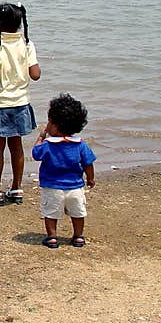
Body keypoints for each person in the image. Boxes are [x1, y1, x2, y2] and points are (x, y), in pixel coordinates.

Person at [0, 2, 41, 205]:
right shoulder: (27, 44)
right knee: (17, 147)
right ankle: (17, 188)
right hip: (21, 103)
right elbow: (36, 74)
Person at [32, 93, 97, 248]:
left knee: (50, 213)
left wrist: (41, 137)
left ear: (55, 125)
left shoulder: (48, 145)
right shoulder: (80, 144)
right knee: (78, 213)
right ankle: (78, 236)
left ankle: (52, 237)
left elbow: (35, 153)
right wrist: (90, 178)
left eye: (49, 121)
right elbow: (88, 163)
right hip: (75, 187)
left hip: (53, 187)